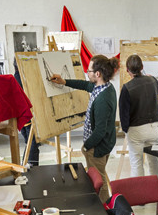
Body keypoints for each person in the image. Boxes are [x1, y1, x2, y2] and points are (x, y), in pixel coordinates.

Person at [50, 55, 119, 202]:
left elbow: (100, 131)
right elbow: (85, 85)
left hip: (97, 146)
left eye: (89, 71)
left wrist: (86, 147)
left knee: (99, 181)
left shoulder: (103, 99)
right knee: (99, 176)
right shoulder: (103, 87)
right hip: (103, 143)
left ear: (98, 74)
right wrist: (64, 81)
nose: (87, 73)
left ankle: (104, 210)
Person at [119, 55, 158, 177]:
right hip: (154, 127)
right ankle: (156, 190)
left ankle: (140, 194)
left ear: (127, 70)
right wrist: (151, 78)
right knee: (154, 161)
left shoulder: (127, 88)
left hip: (136, 129)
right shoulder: (152, 80)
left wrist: (126, 130)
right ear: (142, 67)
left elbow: (124, 114)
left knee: (137, 162)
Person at [13, 58, 40, 166]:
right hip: (26, 115)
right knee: (32, 141)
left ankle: (26, 164)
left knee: (28, 142)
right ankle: (31, 167)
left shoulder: (15, 76)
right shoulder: (22, 78)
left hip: (21, 116)